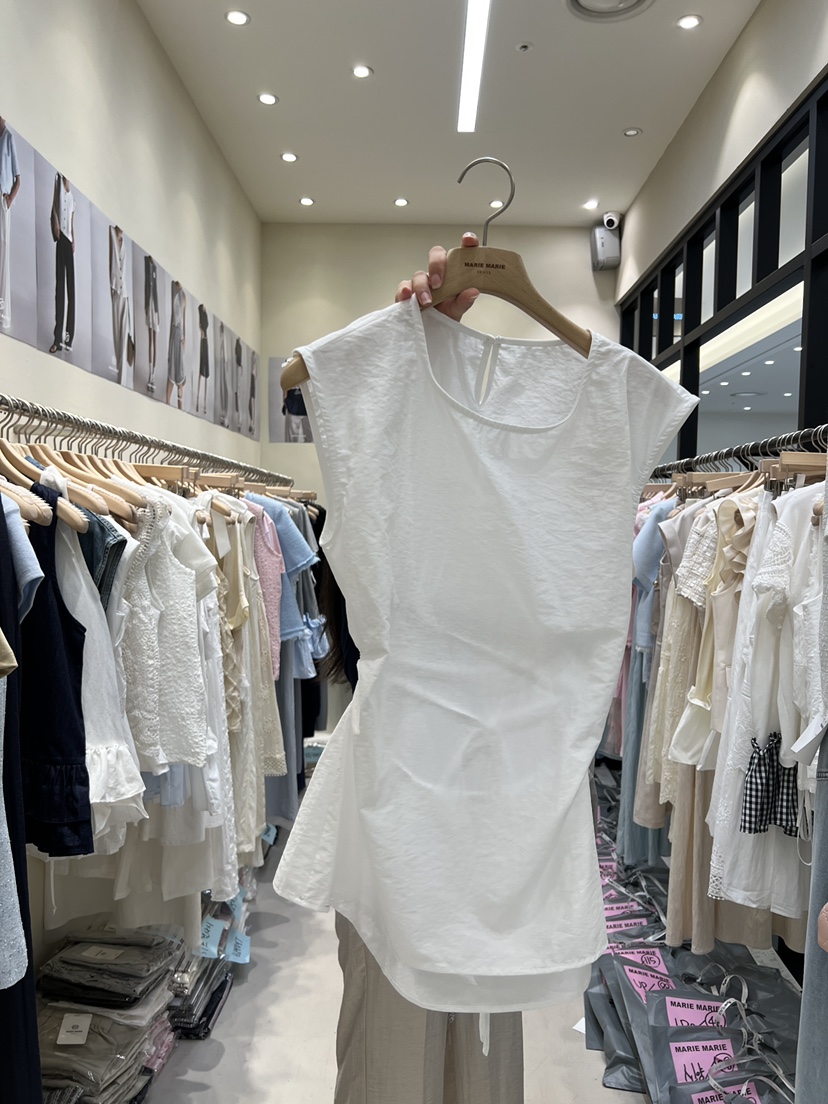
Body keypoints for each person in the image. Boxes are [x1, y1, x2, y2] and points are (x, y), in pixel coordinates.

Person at [329, 232, 528, 1104]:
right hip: (399, 791)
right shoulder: (391, 469)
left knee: (480, 1051)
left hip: (500, 795)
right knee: (394, 1044)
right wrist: (405, 349)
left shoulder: (538, 459)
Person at [49, 173, 75, 354]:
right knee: (60, 289)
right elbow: (54, 205)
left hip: (70, 240)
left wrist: (75, 240)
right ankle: (57, 340)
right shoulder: (57, 179)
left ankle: (68, 339)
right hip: (61, 238)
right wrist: (56, 221)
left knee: (71, 291)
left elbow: (72, 221)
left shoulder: (73, 193)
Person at [0, 116, 21, 331]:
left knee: (3, 251)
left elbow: (18, 179)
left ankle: (2, 312)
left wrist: (9, 200)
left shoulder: (9, 138)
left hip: (2, 200)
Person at [108, 225, 129, 383]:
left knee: (124, 335)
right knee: (117, 334)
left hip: (125, 293)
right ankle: (119, 374)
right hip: (115, 291)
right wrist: (112, 287)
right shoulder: (111, 233)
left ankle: (122, 378)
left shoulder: (125, 245)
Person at [165, 279, 186, 408]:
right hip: (174, 335)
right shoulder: (172, 286)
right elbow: (172, 317)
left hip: (180, 336)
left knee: (180, 376)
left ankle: (180, 408)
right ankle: (167, 404)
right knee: (171, 372)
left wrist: (185, 339)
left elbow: (184, 320)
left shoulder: (184, 296)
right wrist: (170, 340)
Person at [144, 254, 159, 392]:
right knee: (150, 341)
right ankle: (150, 375)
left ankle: (153, 376)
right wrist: (145, 306)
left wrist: (157, 312)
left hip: (155, 309)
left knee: (154, 342)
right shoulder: (146, 263)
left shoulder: (155, 267)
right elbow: (146, 285)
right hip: (149, 306)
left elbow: (156, 290)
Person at [197, 303, 210, 414]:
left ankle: (204, 403)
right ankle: (198, 400)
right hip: (203, 342)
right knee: (201, 372)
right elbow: (200, 326)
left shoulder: (205, 314)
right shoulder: (201, 312)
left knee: (205, 375)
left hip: (206, 342)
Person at [248, 349, 258, 434]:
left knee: (252, 402)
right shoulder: (253, 369)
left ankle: (253, 423)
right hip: (252, 379)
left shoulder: (254, 369)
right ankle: (252, 422)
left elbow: (255, 373)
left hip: (253, 380)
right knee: (251, 403)